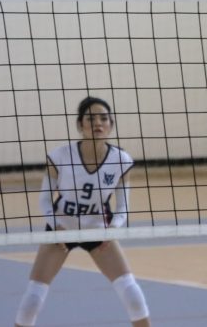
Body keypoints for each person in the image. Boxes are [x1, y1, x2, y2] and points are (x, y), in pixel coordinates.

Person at [14, 97, 150, 327]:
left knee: (131, 293)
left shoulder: (121, 161)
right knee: (33, 299)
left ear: (111, 124)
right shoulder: (60, 156)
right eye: (91, 118)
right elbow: (45, 200)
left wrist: (112, 230)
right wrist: (56, 226)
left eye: (104, 118)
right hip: (62, 228)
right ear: (80, 125)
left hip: (98, 230)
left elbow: (122, 208)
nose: (98, 123)